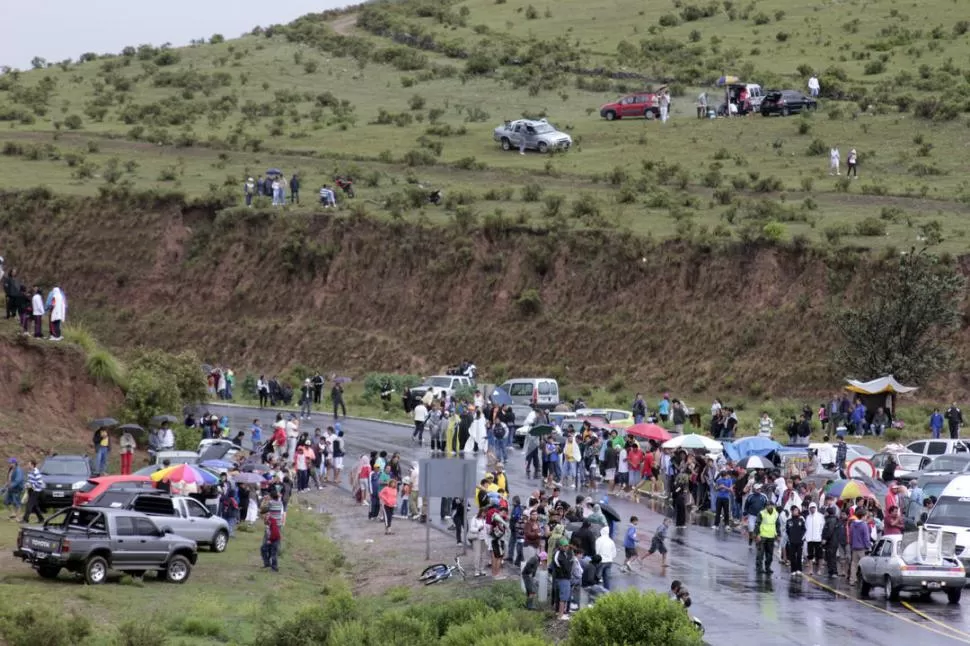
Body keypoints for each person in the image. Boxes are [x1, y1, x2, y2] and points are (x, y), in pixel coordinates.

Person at [847, 509, 872, 585]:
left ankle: (852, 580)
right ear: (863, 516)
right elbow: (866, 538)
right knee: (864, 565)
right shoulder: (864, 525)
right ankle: (864, 581)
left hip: (854, 547)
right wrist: (868, 546)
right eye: (865, 516)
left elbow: (850, 536)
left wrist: (851, 544)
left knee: (854, 564)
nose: (866, 517)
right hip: (862, 548)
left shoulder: (852, 524)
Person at [754, 500, 780, 574]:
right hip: (762, 536)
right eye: (767, 505)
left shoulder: (776, 514)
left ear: (773, 506)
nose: (769, 507)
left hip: (771, 536)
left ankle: (768, 567)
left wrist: (778, 534)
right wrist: (757, 534)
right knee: (760, 553)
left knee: (769, 554)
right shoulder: (762, 513)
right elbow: (757, 524)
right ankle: (759, 567)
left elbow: (778, 525)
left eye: (770, 505)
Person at [551, 539, 574, 621]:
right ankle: (561, 615)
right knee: (563, 597)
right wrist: (570, 561)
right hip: (563, 578)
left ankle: (559, 612)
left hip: (560, 578)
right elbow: (567, 568)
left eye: (567, 545)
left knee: (561, 596)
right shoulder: (559, 556)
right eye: (564, 546)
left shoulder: (561, 553)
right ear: (560, 546)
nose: (566, 547)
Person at [260, 490, 283, 572]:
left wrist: (264, 500)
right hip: (278, 526)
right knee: (274, 546)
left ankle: (269, 563)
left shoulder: (271, 503)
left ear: (271, 497)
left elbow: (262, 510)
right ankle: (273, 565)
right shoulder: (280, 503)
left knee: (264, 546)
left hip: (272, 526)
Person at [804, 502, 825, 575]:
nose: (812, 509)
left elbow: (822, 527)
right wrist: (806, 536)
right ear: (809, 508)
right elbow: (806, 527)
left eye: (814, 507)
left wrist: (821, 536)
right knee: (810, 555)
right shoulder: (808, 517)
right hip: (809, 539)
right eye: (811, 508)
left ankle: (819, 570)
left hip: (818, 539)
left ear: (816, 508)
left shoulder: (820, 516)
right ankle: (810, 570)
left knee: (819, 555)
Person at [785, 505, 806, 576]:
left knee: (799, 555)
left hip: (799, 541)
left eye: (797, 510)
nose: (796, 512)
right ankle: (793, 569)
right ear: (792, 511)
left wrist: (802, 537)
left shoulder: (801, 520)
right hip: (792, 541)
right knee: (792, 556)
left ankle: (799, 569)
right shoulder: (789, 521)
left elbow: (804, 529)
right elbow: (787, 531)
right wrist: (790, 538)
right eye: (795, 510)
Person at [22, 459, 45, 523]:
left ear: (32, 465)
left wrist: (32, 485)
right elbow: (29, 480)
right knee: (34, 506)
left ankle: (25, 519)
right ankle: (41, 519)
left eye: (29, 464)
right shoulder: (30, 471)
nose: (28, 465)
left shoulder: (36, 472)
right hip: (30, 490)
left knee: (29, 505)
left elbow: (40, 482)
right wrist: (27, 485)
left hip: (35, 491)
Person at [469, 507, 489, 576]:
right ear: (481, 512)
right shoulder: (475, 518)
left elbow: (488, 529)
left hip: (485, 538)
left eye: (485, 513)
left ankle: (482, 569)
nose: (484, 514)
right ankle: (476, 570)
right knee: (477, 555)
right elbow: (471, 529)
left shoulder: (486, 519)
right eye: (483, 513)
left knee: (484, 555)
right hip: (477, 538)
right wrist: (478, 529)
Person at [595, 525, 616, 590]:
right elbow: (614, 553)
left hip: (601, 561)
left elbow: (597, 551)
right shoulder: (611, 541)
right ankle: (607, 592)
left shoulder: (599, 540)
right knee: (607, 578)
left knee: (597, 577)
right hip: (609, 561)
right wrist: (610, 557)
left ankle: (596, 593)